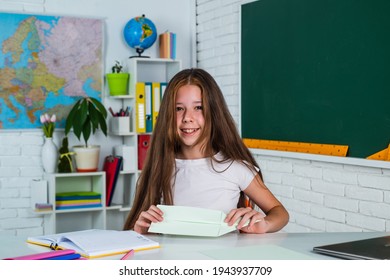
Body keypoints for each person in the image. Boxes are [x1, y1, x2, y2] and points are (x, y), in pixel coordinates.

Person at [123, 68, 289, 234]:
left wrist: (265, 224)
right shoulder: (160, 168)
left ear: (214, 113)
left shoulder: (235, 167)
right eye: (178, 109)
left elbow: (279, 212)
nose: (188, 117)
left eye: (199, 107)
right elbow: (141, 234)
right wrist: (140, 230)